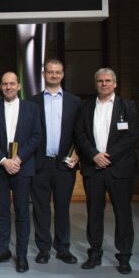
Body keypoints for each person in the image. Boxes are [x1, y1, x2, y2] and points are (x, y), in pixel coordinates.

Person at [74, 68, 139, 274]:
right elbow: (80, 133)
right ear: (95, 84)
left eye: (108, 80)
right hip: (93, 168)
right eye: (100, 81)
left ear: (115, 83)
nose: (104, 84)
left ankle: (124, 256)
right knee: (94, 213)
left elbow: (132, 135)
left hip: (119, 169)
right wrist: (94, 155)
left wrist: (107, 156)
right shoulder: (86, 107)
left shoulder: (127, 106)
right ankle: (94, 253)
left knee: (123, 213)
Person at [0, 72, 41, 272]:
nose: (8, 87)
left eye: (12, 84)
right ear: (1, 87)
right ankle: (2, 250)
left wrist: (18, 159)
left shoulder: (31, 108)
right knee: (1, 212)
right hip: (0, 169)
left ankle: (22, 255)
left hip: (22, 168)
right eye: (5, 84)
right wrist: (3, 160)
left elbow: (36, 136)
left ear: (19, 86)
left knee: (22, 213)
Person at [29, 59, 81, 265]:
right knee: (40, 208)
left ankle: (63, 248)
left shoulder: (74, 101)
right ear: (44, 74)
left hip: (64, 164)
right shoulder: (32, 102)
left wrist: (78, 153)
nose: (53, 75)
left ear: (62, 75)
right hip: (40, 163)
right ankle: (43, 248)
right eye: (50, 72)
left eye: (57, 72)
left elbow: (80, 132)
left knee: (62, 208)